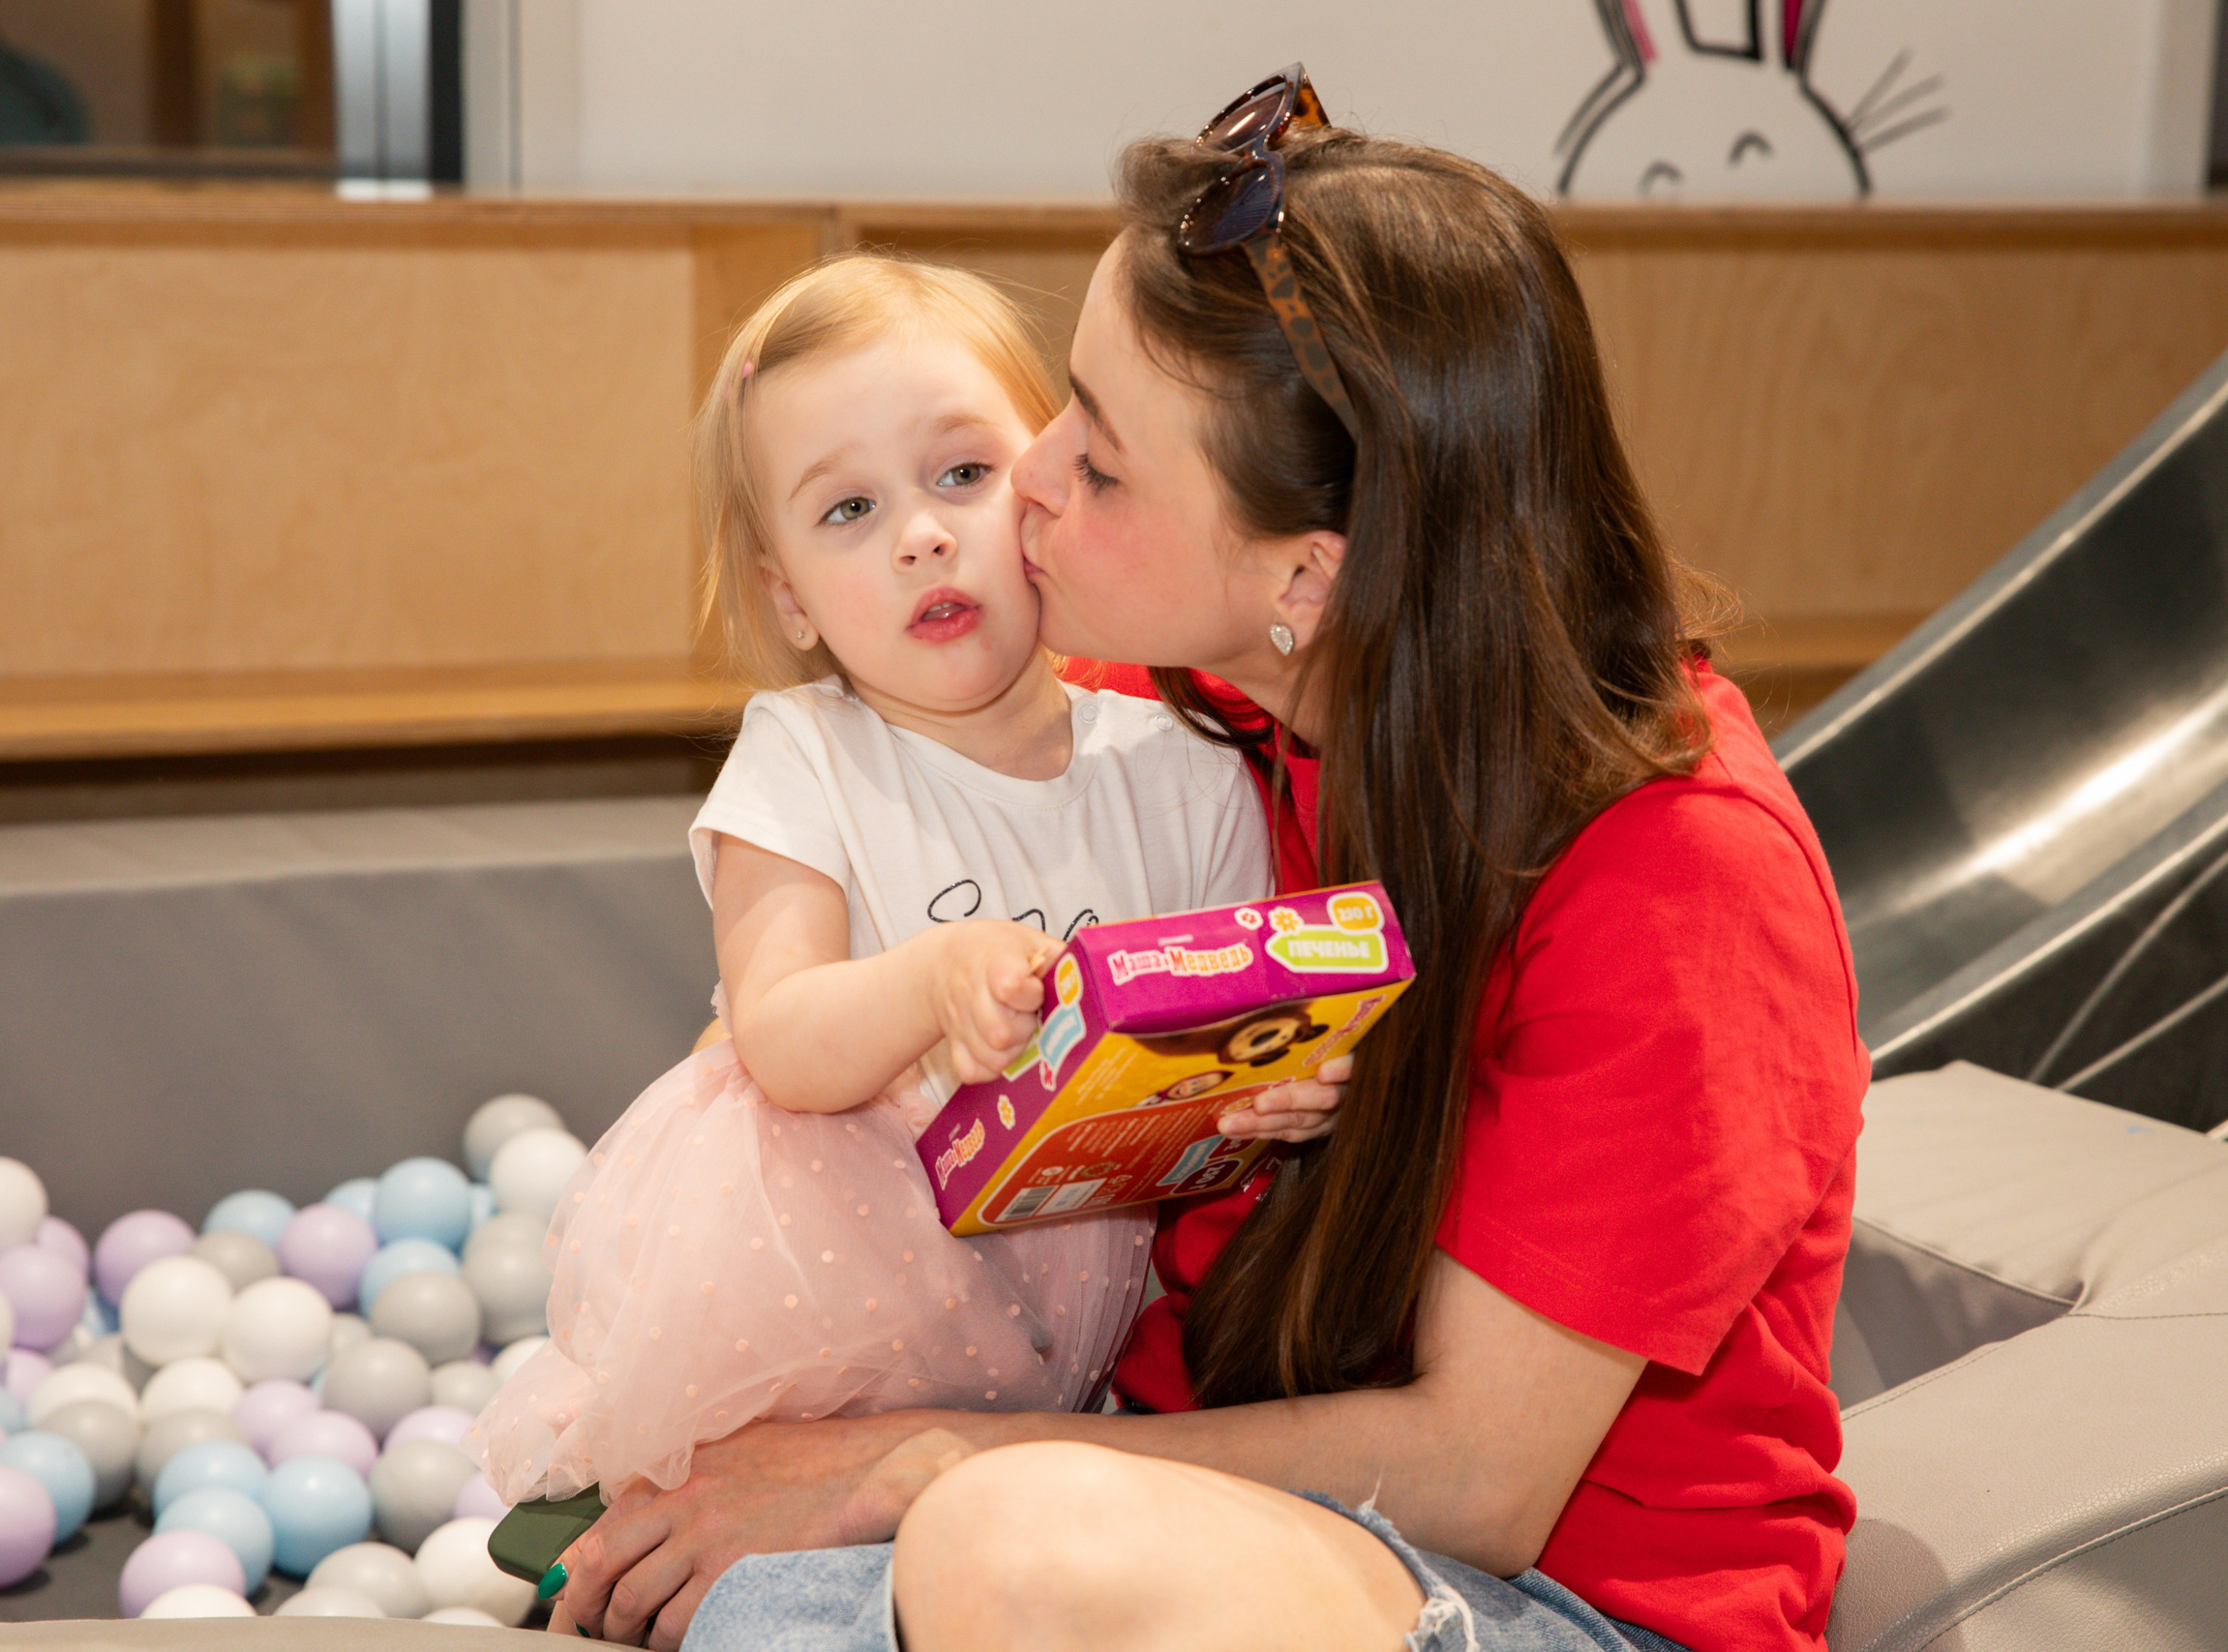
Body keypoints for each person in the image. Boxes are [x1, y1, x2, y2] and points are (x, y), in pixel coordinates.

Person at [549, 69, 1867, 1652]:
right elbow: (811, 1004)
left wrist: (908, 1466)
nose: (1022, 484)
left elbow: (1478, 1475)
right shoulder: (1206, 703)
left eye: (1097, 464)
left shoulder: (1677, 888)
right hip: (1192, 1466)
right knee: (725, 1597)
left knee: (1007, 1553)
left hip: (1524, 1591)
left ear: (1307, 573)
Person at [468, 254, 1344, 1511]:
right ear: (793, 598)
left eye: (962, 476)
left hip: (1067, 1323)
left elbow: (1219, 1036)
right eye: (848, 512)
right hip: (824, 1303)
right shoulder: (806, 755)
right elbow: (779, 1038)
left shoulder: (1182, 770)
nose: (922, 533)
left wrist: (1282, 1084)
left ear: (1048, 491)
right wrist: (932, 980)